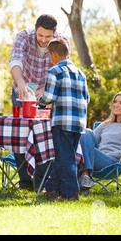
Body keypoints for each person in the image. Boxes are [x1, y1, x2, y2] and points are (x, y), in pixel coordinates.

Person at [8, 14, 70, 190]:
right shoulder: (24, 37)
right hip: (23, 90)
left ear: (54, 34)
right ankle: (25, 181)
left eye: (48, 37)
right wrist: (20, 83)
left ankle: (43, 179)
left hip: (48, 91)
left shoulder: (62, 41)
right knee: (19, 133)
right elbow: (15, 60)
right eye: (40, 35)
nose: (43, 40)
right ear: (35, 29)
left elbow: (63, 69)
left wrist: (44, 91)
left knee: (46, 134)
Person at [38, 38, 89, 201]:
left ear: (52, 54)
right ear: (68, 53)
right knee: (66, 156)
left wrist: (39, 102)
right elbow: (87, 98)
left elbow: (49, 97)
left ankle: (71, 193)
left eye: (49, 55)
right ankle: (52, 188)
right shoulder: (80, 73)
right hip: (79, 122)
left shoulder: (54, 71)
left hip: (62, 121)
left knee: (65, 158)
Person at [78, 91, 121, 192]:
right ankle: (85, 178)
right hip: (98, 160)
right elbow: (88, 141)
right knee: (86, 132)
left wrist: (111, 154)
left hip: (115, 163)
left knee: (83, 141)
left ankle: (84, 178)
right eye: (115, 102)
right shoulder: (105, 125)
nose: (116, 105)